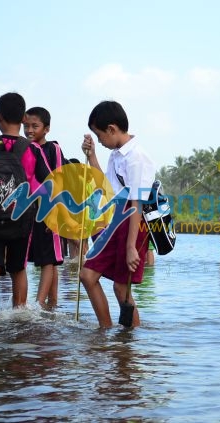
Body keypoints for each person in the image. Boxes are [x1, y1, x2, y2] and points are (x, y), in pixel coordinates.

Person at [0, 92, 49, 316]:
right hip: (21, 217)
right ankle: (20, 314)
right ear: (23, 118)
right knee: (18, 268)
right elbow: (48, 181)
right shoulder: (34, 149)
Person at [79, 100, 155, 328]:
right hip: (117, 222)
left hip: (134, 225)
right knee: (87, 276)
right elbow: (108, 190)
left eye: (100, 135)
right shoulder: (116, 154)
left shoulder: (137, 157)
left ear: (112, 129)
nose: (100, 140)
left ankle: (130, 340)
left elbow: (137, 203)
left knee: (121, 288)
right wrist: (92, 156)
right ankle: (106, 333)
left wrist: (131, 246)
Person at [23, 106, 66, 309]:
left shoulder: (53, 149)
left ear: (46, 129)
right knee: (47, 260)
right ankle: (52, 303)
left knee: (49, 260)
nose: (29, 130)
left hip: (49, 210)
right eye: (26, 126)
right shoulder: (24, 148)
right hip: (30, 211)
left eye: (34, 126)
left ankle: (39, 304)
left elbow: (58, 179)